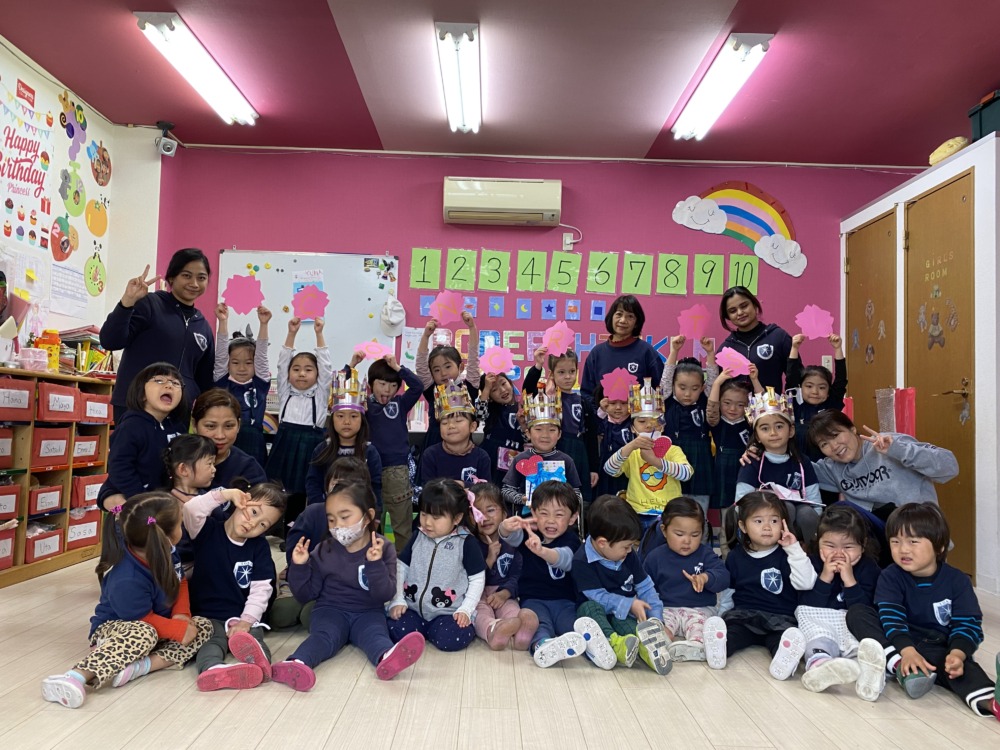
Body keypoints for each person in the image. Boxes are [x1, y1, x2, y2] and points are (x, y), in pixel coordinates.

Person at [41, 493, 214, 708]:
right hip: (120, 628)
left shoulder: (167, 550)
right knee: (144, 632)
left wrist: (182, 615)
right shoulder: (127, 578)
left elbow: (180, 582)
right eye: (180, 523)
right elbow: (140, 618)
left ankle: (138, 667)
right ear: (165, 536)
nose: (183, 528)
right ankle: (75, 676)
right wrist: (176, 630)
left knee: (203, 626)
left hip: (157, 627)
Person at [846, 504, 998, 718]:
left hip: (937, 647)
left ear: (940, 546)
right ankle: (899, 665)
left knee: (960, 667)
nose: (903, 549)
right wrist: (907, 651)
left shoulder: (958, 581)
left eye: (913, 542)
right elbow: (892, 619)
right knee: (858, 613)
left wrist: (957, 653)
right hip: (897, 641)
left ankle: (991, 702)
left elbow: (968, 623)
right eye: (895, 542)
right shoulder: (890, 576)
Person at [273, 481, 424, 689]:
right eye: (331, 519)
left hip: (369, 612)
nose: (338, 525)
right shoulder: (322, 550)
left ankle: (387, 658)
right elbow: (306, 594)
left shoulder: (383, 547)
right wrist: (299, 567)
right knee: (323, 637)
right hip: (330, 610)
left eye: (345, 517)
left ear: (368, 516)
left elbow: (385, 594)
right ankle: (296, 663)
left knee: (376, 635)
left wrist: (374, 564)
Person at [184, 482, 286, 691]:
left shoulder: (259, 547)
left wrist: (246, 620)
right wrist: (225, 495)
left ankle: (260, 666)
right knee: (209, 642)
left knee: (253, 636)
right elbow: (190, 509)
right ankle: (213, 669)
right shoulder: (206, 530)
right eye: (254, 512)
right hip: (207, 615)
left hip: (242, 614)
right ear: (241, 501)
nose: (253, 523)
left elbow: (262, 588)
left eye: (263, 525)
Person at [707, 491, 818, 678]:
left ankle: (785, 662)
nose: (767, 527)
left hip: (780, 618)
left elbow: (806, 583)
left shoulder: (788, 554)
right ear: (743, 526)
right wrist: (721, 617)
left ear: (783, 523)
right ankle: (719, 649)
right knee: (733, 633)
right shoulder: (735, 556)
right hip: (744, 616)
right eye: (758, 521)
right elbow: (729, 592)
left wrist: (794, 549)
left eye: (774, 521)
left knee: (783, 640)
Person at [101, 250, 215, 425]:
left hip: (177, 411)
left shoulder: (203, 326)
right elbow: (110, 340)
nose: (194, 283)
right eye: (186, 275)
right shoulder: (150, 304)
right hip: (137, 405)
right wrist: (127, 301)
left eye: (201, 278)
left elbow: (205, 379)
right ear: (171, 278)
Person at [789, 504, 884, 700]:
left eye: (848, 547)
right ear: (818, 541)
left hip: (851, 626)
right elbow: (808, 605)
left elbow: (865, 608)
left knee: (863, 648)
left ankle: (870, 677)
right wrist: (825, 577)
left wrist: (850, 581)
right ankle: (820, 667)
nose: (839, 553)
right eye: (830, 546)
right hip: (821, 625)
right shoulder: (812, 563)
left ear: (863, 545)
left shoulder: (869, 568)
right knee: (818, 642)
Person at [498, 481, 596, 668]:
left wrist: (542, 551)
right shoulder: (528, 532)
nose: (551, 520)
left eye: (559, 515)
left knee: (572, 624)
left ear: (573, 518)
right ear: (533, 513)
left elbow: (566, 559)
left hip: (565, 601)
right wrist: (505, 527)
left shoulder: (572, 539)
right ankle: (543, 646)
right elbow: (510, 537)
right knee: (537, 624)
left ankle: (593, 649)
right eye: (544, 513)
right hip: (533, 599)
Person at [572, 495, 672, 674]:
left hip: (623, 614)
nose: (630, 550)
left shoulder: (628, 555)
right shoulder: (581, 561)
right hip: (594, 612)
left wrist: (657, 620)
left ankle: (647, 651)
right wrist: (629, 604)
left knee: (633, 628)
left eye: (631, 546)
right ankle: (612, 644)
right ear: (602, 543)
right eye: (626, 546)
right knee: (590, 609)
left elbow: (646, 587)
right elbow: (598, 597)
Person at [271, 457, 372, 630]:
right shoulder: (313, 512)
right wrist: (298, 569)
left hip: (340, 589)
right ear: (327, 487)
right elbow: (293, 548)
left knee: (311, 617)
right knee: (280, 615)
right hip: (306, 578)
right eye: (337, 484)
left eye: (352, 485)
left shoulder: (362, 518)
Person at [387, 478, 487, 652]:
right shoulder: (418, 535)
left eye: (436, 517)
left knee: (452, 637)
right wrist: (398, 600)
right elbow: (401, 567)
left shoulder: (466, 542)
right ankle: (419, 631)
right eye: (423, 514)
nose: (427, 522)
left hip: (448, 613)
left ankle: (430, 632)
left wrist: (465, 610)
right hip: (413, 609)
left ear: (457, 518)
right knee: (395, 627)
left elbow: (477, 579)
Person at [807, 411, 959, 519]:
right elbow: (799, 468)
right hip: (876, 538)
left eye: (835, 435)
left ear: (852, 429)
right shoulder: (831, 468)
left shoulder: (888, 443)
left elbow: (950, 466)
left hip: (918, 528)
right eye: (824, 444)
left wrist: (899, 451)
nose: (834, 446)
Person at [644, 497, 730, 665]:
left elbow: (724, 577)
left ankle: (697, 646)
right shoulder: (655, 557)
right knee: (657, 623)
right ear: (664, 530)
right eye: (679, 534)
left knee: (701, 626)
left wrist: (706, 577)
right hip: (667, 608)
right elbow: (645, 587)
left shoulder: (705, 554)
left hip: (699, 609)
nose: (687, 541)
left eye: (695, 535)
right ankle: (662, 641)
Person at [266, 316, 332, 524]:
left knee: (303, 489)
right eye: (296, 369)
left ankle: (295, 528)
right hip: (285, 441)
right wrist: (291, 334)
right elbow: (282, 363)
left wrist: (319, 333)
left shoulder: (320, 393)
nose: (301, 374)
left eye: (308, 369)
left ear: (317, 374)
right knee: (277, 487)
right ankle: (273, 526)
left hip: (311, 443)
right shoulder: (286, 390)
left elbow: (326, 368)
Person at [735, 387, 822, 546]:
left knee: (807, 513)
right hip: (763, 526)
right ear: (757, 436)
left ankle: (812, 551)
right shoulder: (752, 461)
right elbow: (741, 503)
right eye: (765, 428)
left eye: (779, 426)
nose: (773, 433)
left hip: (799, 526)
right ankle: (777, 552)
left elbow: (815, 502)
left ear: (791, 431)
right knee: (785, 507)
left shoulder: (802, 461)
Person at [603, 378, 691, 531]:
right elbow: (609, 470)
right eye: (642, 422)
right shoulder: (631, 452)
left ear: (662, 426)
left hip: (669, 514)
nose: (649, 426)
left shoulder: (673, 450)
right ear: (632, 428)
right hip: (637, 513)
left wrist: (655, 461)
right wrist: (630, 446)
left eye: (655, 421)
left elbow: (686, 474)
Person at [97, 363, 185, 513]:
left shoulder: (178, 428)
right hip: (127, 494)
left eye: (175, 383)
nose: (169, 385)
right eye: (159, 380)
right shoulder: (131, 426)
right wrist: (140, 498)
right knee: (135, 516)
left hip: (160, 497)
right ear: (142, 393)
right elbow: (119, 467)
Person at [364, 354, 425, 551]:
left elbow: (418, 386)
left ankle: (403, 564)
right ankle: (373, 559)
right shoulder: (364, 404)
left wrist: (399, 368)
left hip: (397, 470)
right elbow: (340, 391)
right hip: (369, 469)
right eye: (382, 384)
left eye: (393, 386)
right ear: (371, 384)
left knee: (401, 524)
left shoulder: (399, 403)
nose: (387, 390)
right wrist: (352, 365)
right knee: (371, 522)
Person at [524, 347, 599, 504]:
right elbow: (528, 389)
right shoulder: (546, 398)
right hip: (553, 453)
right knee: (551, 497)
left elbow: (591, 437)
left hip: (579, 454)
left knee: (577, 499)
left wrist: (593, 468)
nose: (568, 377)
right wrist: (538, 365)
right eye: (561, 372)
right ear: (552, 374)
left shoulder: (583, 402)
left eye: (572, 371)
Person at [470, 483, 538, 650]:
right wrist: (489, 560)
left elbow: (517, 574)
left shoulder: (511, 543)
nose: (485, 517)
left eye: (490, 510)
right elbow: (467, 577)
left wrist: (505, 593)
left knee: (511, 609)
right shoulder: (470, 543)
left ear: (504, 514)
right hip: (477, 594)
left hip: (503, 591)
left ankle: (522, 634)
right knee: (480, 613)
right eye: (478, 512)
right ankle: (493, 631)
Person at [305, 368, 382, 507]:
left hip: (360, 512)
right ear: (332, 419)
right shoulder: (322, 450)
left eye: (353, 416)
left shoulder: (370, 452)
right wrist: (321, 509)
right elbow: (313, 484)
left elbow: (375, 487)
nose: (347, 422)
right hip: (326, 511)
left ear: (362, 420)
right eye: (340, 416)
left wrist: (374, 514)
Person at [661, 336, 719, 517]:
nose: (688, 394)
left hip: (700, 458)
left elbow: (713, 382)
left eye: (694, 388)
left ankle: (700, 533)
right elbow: (666, 378)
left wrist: (710, 353)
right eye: (682, 387)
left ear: (702, 388)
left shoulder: (705, 401)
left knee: (698, 511)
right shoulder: (667, 401)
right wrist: (674, 351)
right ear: (673, 385)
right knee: (673, 510)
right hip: (672, 457)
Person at [501, 391, 584, 510]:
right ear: (528, 433)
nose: (545, 435)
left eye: (552, 430)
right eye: (538, 429)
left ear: (559, 434)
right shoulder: (520, 459)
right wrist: (522, 499)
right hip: (529, 516)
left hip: (558, 516)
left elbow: (577, 493)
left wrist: (564, 501)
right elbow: (506, 490)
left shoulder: (566, 460)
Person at [580, 294, 664, 410]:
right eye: (619, 314)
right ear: (611, 317)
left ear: (636, 322)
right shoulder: (596, 353)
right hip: (602, 420)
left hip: (638, 420)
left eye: (630, 316)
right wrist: (599, 410)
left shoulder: (646, 352)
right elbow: (586, 393)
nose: (623, 320)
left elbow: (660, 389)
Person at [213, 302, 272, 466]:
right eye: (235, 363)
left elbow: (261, 356)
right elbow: (221, 356)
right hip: (224, 438)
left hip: (254, 440)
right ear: (228, 364)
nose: (241, 368)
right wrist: (222, 322)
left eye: (248, 363)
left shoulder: (260, 385)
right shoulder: (222, 382)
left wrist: (264, 324)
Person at [707, 369, 757, 551]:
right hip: (723, 472)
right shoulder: (717, 422)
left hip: (745, 471)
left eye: (740, 405)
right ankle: (726, 556)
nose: (732, 409)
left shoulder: (752, 423)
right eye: (727, 403)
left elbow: (762, 406)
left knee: (747, 515)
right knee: (726, 519)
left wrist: (755, 380)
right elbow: (711, 408)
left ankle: (746, 555)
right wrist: (717, 382)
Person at [415, 312, 480, 449]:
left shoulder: (469, 387)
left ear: (461, 367)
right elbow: (421, 366)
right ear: (431, 374)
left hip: (463, 448)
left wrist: (472, 328)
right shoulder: (432, 390)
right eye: (436, 370)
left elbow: (474, 359)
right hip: (434, 446)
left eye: (448, 366)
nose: (443, 373)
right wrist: (426, 336)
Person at [786, 333, 847, 463]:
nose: (815, 392)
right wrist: (794, 348)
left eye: (822, 387)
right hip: (798, 461)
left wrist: (837, 348)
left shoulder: (831, 405)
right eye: (809, 386)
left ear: (829, 391)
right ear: (800, 387)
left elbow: (841, 381)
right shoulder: (795, 402)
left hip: (826, 462)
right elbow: (791, 378)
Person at [717, 286, 793, 391]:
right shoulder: (725, 349)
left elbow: (795, 378)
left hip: (771, 402)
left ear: (754, 305)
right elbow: (716, 388)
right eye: (733, 311)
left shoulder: (778, 337)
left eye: (744, 306)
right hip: (737, 402)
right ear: (728, 316)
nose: (740, 313)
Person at [164, 433, 218, 576]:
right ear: (183, 469)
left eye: (214, 464)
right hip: (173, 567)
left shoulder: (211, 498)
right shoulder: (163, 502)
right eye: (209, 463)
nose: (214, 469)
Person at [192, 389, 267, 488]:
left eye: (228, 426)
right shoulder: (178, 459)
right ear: (194, 425)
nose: (220, 436)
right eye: (210, 426)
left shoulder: (250, 470)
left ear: (238, 425)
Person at [420, 380, 491, 485]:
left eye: (458, 421)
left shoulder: (481, 457)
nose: (451, 426)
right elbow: (428, 489)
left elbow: (486, 490)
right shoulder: (430, 455)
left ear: (472, 426)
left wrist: (463, 485)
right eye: (444, 422)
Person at [477, 372, 525, 485]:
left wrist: (523, 425)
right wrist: (486, 388)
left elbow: (528, 439)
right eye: (494, 390)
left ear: (510, 383)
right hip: (491, 465)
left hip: (515, 466)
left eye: (503, 383)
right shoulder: (489, 412)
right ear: (489, 396)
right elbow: (479, 415)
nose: (502, 390)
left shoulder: (523, 409)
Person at [592, 377, 635, 499]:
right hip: (605, 471)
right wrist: (601, 411)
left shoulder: (635, 423)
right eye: (612, 403)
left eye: (624, 403)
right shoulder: (602, 421)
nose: (618, 407)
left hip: (628, 471)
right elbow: (592, 429)